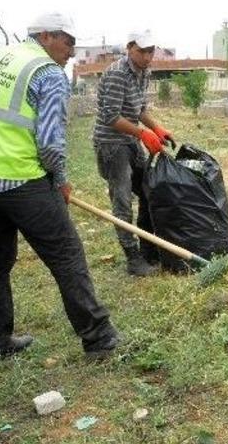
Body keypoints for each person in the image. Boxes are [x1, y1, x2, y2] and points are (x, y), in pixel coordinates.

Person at [0, 12, 120, 361]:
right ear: (46, 36)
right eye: (68, 41)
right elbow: (49, 144)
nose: (72, 52)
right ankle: (100, 341)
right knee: (66, 256)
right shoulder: (49, 75)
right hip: (20, 180)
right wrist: (59, 180)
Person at [93, 30, 176, 277]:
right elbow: (110, 117)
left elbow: (138, 109)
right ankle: (133, 258)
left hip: (130, 140)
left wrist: (156, 128)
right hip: (111, 144)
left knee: (148, 190)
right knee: (122, 202)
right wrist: (143, 135)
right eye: (142, 51)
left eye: (151, 51)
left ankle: (147, 247)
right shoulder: (118, 74)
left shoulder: (144, 72)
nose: (148, 57)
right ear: (129, 48)